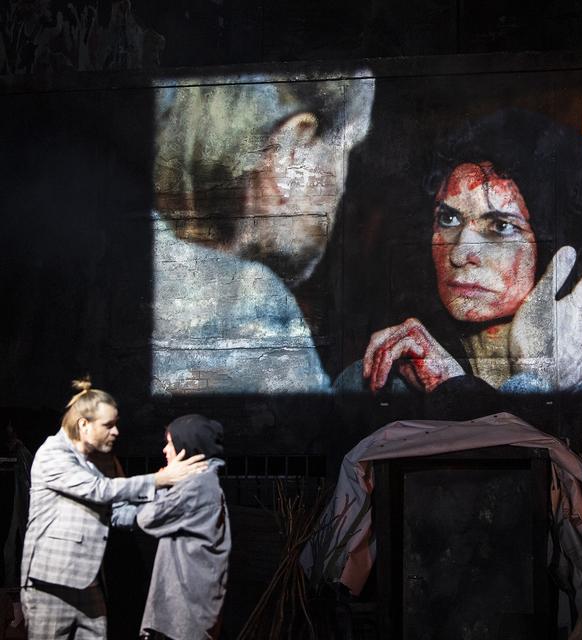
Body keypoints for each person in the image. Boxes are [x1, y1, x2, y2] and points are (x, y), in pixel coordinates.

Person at [343, 109, 582, 396]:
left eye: (500, 226)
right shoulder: (379, 378)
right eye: (448, 219)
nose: (460, 253)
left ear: (562, 247)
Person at [150, 76, 375, 395]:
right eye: (347, 148)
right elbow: (322, 438)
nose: (343, 186)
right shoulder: (256, 304)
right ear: (289, 153)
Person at [20, 379, 207, 640]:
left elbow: (117, 512)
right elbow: (100, 490)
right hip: (53, 584)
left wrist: (166, 506)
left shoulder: (92, 461)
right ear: (83, 424)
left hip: (88, 581)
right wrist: (158, 479)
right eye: (108, 425)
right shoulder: (53, 454)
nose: (116, 432)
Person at [137, 414, 230, 640]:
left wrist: (160, 483)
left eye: (170, 444)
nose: (165, 451)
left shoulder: (197, 485)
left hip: (187, 607)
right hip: (190, 601)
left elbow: (148, 518)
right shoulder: (203, 481)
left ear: (185, 448)